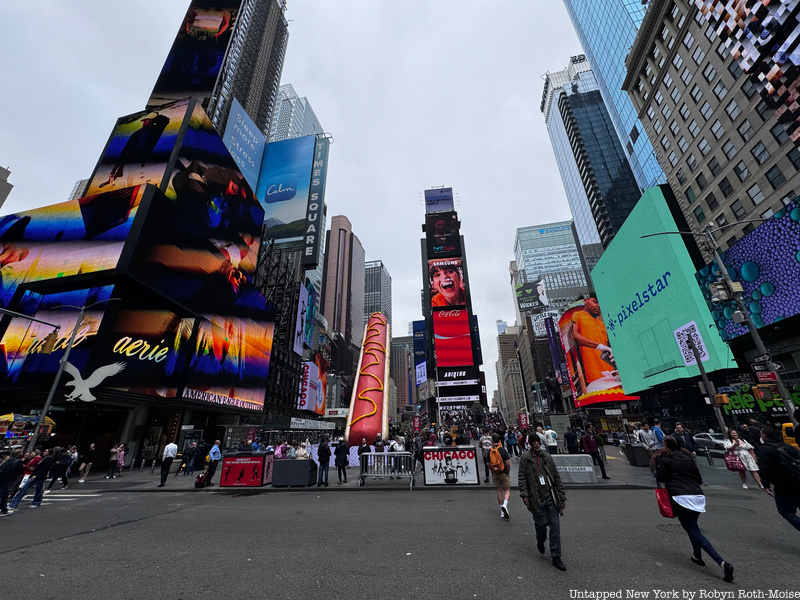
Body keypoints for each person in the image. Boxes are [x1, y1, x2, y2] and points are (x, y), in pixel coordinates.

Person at [653, 436, 734, 582]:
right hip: (697, 495)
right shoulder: (688, 457)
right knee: (693, 526)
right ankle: (697, 556)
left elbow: (662, 477)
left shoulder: (663, 458)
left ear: (666, 445)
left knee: (692, 529)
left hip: (680, 495)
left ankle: (722, 562)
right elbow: (698, 478)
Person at [518, 433, 567, 572]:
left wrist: (562, 497)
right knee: (541, 527)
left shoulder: (547, 458)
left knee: (555, 528)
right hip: (536, 498)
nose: (536, 444)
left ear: (540, 442)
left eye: (537, 441)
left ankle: (556, 556)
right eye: (533, 442)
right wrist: (524, 494)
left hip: (551, 497)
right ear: (530, 444)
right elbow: (522, 477)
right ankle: (540, 541)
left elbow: (556, 478)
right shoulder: (525, 458)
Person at [569, 295, 620, 393]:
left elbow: (608, 347)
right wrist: (599, 346)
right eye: (595, 302)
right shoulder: (578, 315)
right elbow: (575, 336)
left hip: (612, 375)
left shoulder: (602, 324)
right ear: (585, 301)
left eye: (600, 304)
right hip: (594, 378)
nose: (598, 306)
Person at [756, 428, 800, 532]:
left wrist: (766, 485)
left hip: (783, 484)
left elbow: (763, 470)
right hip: (798, 479)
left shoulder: (764, 449)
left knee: (786, 511)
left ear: (765, 436)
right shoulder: (789, 447)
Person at [489, 433, 512, 519]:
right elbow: (507, 463)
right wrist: (508, 471)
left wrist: (492, 471)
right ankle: (505, 505)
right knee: (507, 490)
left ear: (492, 441)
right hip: (504, 472)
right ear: (499, 441)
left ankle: (501, 510)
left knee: (499, 490)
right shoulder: (503, 450)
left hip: (496, 473)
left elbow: (488, 463)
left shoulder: (490, 451)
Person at [0, 449, 24, 516]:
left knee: (2, 493)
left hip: (2, 478)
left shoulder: (6, 461)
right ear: (18, 453)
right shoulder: (18, 462)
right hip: (9, 479)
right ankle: (3, 509)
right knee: (4, 494)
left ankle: (3, 508)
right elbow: (19, 473)